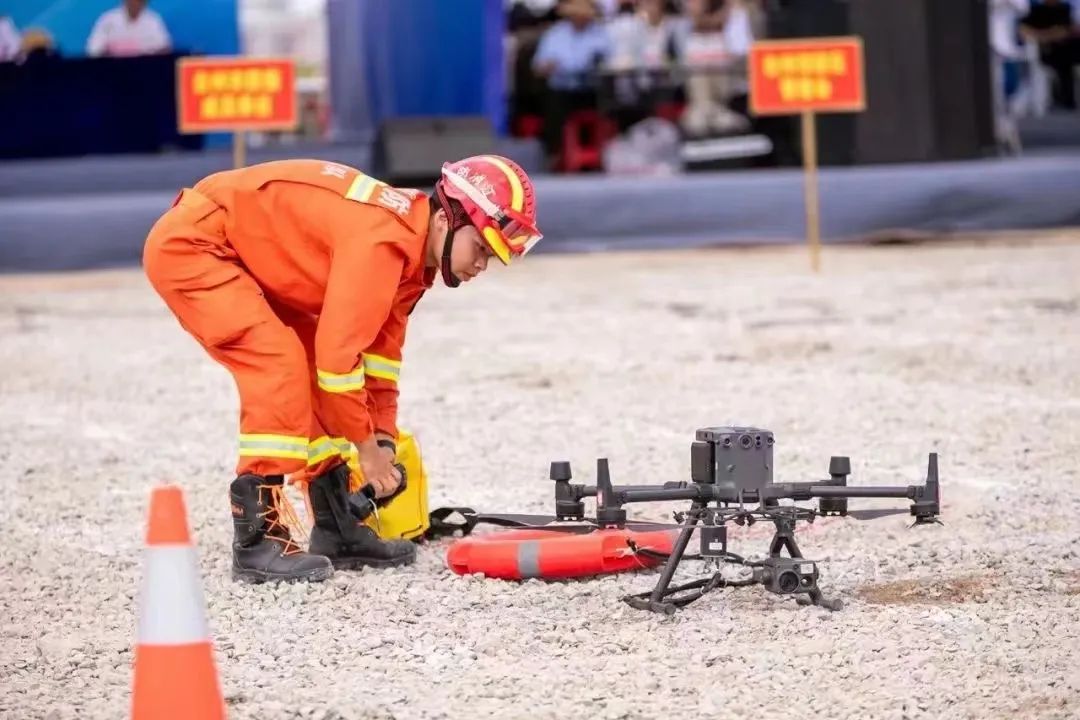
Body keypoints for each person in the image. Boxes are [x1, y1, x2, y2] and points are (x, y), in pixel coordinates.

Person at [142, 156, 542, 583]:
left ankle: (335, 524)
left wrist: (383, 438)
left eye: (492, 257)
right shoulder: (382, 243)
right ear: (446, 219)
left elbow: (380, 361)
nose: (481, 265)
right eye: (481, 248)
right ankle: (257, 541)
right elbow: (339, 365)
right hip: (196, 245)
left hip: (241, 253)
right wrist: (367, 453)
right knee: (280, 362)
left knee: (311, 361)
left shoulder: (410, 257)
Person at [86, 0, 171, 58]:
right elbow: (93, 50)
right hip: (112, 70)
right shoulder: (108, 20)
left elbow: (165, 48)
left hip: (144, 70)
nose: (135, 3)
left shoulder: (153, 20)